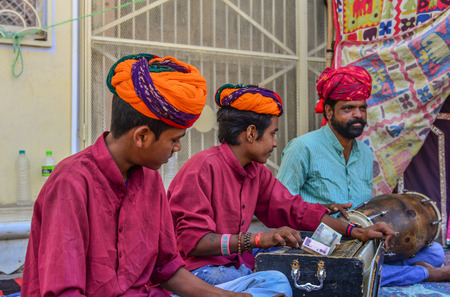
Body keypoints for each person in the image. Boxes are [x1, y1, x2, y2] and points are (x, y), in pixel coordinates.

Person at [20, 54, 287, 297]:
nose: (178, 148)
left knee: (274, 285)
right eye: (174, 140)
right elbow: (63, 291)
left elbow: (167, 268)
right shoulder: (72, 182)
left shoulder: (150, 179)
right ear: (142, 136)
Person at [167, 83, 395, 288]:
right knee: (279, 281)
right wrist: (256, 240)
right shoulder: (202, 168)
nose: (275, 143)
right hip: (196, 270)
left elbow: (295, 211)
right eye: (272, 134)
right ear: (251, 133)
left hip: (233, 264)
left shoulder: (256, 172)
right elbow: (193, 242)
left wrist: (354, 230)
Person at [277, 66, 450, 286]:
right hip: (319, 241)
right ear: (329, 112)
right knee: (340, 268)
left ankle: (377, 270)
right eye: (348, 108)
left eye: (362, 108)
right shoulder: (303, 147)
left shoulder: (365, 154)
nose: (358, 115)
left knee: (433, 252)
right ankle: (420, 274)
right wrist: (323, 208)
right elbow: (281, 205)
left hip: (361, 237)